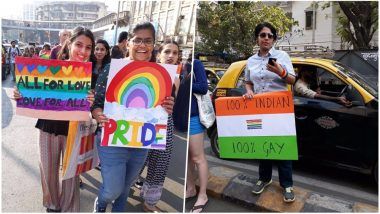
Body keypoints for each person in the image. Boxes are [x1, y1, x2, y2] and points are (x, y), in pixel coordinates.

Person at [91, 22, 175, 212]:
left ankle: (118, 209)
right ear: (128, 43)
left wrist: (168, 107)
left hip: (140, 142)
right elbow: (96, 103)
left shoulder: (161, 74)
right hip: (112, 138)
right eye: (137, 40)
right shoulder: (112, 69)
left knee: (126, 186)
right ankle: (102, 202)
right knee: (113, 189)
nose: (142, 45)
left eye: (148, 41)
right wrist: (98, 114)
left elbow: (163, 110)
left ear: (154, 45)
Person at [13, 26, 96, 212]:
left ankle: (68, 208)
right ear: (70, 44)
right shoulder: (52, 69)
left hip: (75, 131)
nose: (83, 51)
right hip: (47, 128)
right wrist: (21, 94)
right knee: (48, 171)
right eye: (79, 45)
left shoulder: (93, 74)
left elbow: (97, 108)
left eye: (88, 47)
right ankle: (52, 204)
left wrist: (92, 102)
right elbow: (31, 89)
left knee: (70, 175)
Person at [243, 22, 296, 203]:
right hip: (259, 109)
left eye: (270, 35)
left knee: (283, 146)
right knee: (263, 144)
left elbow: (293, 80)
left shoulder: (282, 56)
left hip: (280, 110)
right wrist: (249, 90)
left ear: (274, 39)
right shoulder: (251, 61)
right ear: (257, 38)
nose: (266, 38)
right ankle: (264, 178)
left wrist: (281, 72)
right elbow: (248, 81)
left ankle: (287, 184)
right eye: (262, 35)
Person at [137, 39, 180, 212]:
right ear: (158, 55)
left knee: (159, 163)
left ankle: (150, 202)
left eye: (175, 53)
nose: (171, 56)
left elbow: (173, 105)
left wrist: (170, 105)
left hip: (164, 124)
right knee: (136, 161)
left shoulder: (176, 78)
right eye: (167, 52)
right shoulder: (145, 72)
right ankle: (124, 188)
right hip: (140, 123)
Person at [186, 59, 209, 213]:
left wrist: (184, 85)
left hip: (194, 117)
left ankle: (203, 195)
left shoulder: (196, 63)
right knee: (187, 157)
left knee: (197, 157)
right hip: (180, 117)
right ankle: (191, 188)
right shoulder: (176, 66)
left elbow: (203, 87)